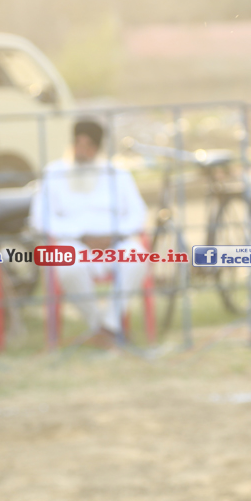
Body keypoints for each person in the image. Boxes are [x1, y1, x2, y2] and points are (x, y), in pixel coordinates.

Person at [29, 120, 148, 348]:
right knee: (68, 266)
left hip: (114, 242)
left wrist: (114, 235)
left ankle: (108, 327)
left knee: (138, 257)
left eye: (88, 145)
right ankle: (102, 329)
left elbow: (138, 213)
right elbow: (40, 218)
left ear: (98, 147)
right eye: (78, 144)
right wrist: (80, 235)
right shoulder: (54, 173)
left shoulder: (117, 173)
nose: (82, 151)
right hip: (73, 242)